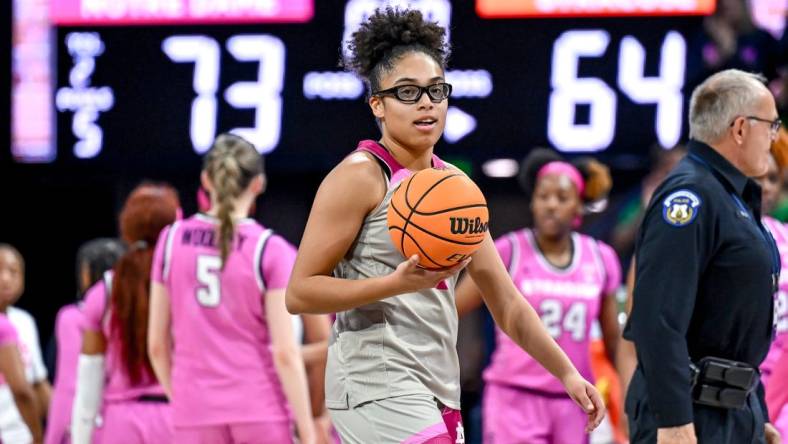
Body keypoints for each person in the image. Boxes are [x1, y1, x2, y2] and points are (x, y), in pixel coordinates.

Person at [285, 8, 605, 444]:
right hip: (372, 382)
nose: (426, 103)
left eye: (436, 90)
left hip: (436, 384)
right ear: (377, 103)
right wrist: (393, 284)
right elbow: (300, 292)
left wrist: (566, 372)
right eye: (408, 92)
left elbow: (507, 302)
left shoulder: (455, 188)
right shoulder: (360, 176)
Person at [625, 69, 783, 444]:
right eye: (771, 126)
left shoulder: (731, 197)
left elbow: (735, 326)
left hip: (731, 413)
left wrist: (753, 412)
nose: (773, 138)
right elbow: (657, 319)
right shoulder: (690, 197)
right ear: (741, 128)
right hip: (690, 416)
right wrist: (673, 420)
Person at [147, 134, 316, 444]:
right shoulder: (271, 249)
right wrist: (308, 432)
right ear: (258, 183)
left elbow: (157, 346)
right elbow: (285, 352)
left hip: (193, 412)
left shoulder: (170, 240)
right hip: (260, 409)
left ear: (205, 180)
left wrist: (184, 400)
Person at [454, 149, 622, 444]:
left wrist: (625, 395)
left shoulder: (601, 258)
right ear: (532, 202)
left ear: (579, 207)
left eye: (561, 197)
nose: (551, 205)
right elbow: (454, 307)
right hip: (514, 396)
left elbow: (613, 340)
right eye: (543, 196)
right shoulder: (509, 250)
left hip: (574, 398)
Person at [71, 184, 179, 444]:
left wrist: (80, 438)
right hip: (178, 416)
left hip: (122, 423)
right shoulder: (185, 281)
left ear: (126, 227)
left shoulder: (105, 291)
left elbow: (89, 379)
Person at [45, 238, 126, 444]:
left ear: (86, 274)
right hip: (130, 421)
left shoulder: (72, 317)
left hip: (90, 426)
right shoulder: (138, 314)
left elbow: (70, 384)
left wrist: (53, 436)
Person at [0, 245, 51, 444]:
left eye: (13, 271)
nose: (5, 278)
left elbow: (37, 381)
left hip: (20, 433)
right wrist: (37, 436)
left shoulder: (24, 321)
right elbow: (21, 390)